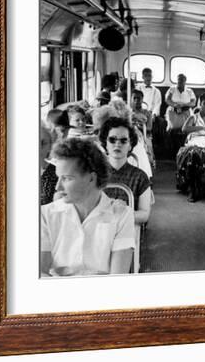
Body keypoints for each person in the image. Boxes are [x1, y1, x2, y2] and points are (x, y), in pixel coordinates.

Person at [40, 138, 135, 276]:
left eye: (67, 178)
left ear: (91, 178)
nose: (57, 187)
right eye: (58, 177)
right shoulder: (45, 215)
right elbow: (40, 273)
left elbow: (118, 278)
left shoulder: (121, 215)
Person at [99, 117, 152, 225]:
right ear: (105, 143)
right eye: (112, 140)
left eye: (123, 141)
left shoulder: (140, 177)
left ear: (130, 145)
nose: (117, 144)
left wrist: (116, 217)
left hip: (126, 230)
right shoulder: (94, 175)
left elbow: (144, 214)